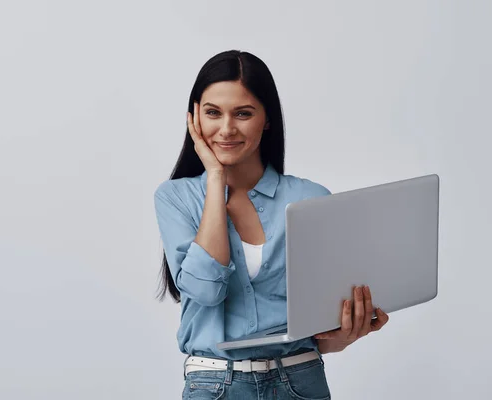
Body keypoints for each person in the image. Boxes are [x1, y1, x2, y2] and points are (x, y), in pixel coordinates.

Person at [154, 49, 390, 399]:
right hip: (213, 386)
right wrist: (216, 178)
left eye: (243, 113)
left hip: (300, 380)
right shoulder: (176, 197)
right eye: (213, 113)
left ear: (267, 120)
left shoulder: (311, 199)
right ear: (195, 119)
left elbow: (319, 330)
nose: (226, 128)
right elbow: (204, 291)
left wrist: (347, 332)